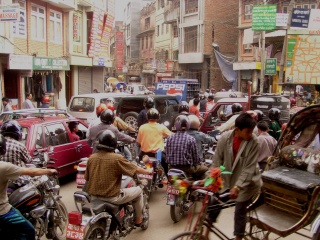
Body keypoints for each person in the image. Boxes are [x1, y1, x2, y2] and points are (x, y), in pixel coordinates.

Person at [85, 130, 152, 226]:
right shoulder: (117, 158)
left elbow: (87, 177)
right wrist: (147, 171)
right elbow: (134, 168)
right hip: (111, 197)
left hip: (93, 196)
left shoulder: (92, 158)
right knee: (138, 191)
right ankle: (139, 219)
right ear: (114, 144)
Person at [212, 112, 261, 240]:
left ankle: (239, 238)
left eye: (252, 131)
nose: (250, 134)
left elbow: (248, 169)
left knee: (239, 210)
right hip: (229, 180)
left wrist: (238, 187)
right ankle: (206, 229)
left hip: (247, 183)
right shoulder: (224, 139)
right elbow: (216, 162)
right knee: (213, 202)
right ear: (237, 130)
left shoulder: (254, 142)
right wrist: (210, 179)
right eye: (248, 132)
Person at [0, 134, 57, 240]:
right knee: (29, 231)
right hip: (2, 212)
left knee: (16, 209)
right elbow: (31, 170)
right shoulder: (3, 166)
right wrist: (49, 170)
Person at [166, 115, 208, 180]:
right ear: (188, 125)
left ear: (176, 125)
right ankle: (196, 184)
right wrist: (200, 163)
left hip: (171, 168)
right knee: (206, 169)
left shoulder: (169, 138)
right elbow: (196, 159)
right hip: (187, 169)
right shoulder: (191, 139)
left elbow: (167, 153)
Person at [137, 108, 172, 174]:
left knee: (140, 166)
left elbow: (139, 142)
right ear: (158, 117)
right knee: (166, 168)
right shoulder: (161, 127)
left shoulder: (142, 127)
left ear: (147, 117)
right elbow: (171, 136)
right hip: (158, 155)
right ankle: (167, 179)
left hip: (145, 155)